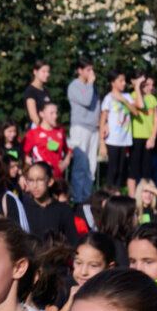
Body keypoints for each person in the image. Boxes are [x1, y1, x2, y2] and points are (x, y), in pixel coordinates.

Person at [66, 58, 100, 203]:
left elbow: (97, 106)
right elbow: (86, 100)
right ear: (80, 70)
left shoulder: (94, 87)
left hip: (94, 130)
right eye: (88, 70)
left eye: (92, 69)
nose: (91, 73)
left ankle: (87, 198)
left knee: (91, 167)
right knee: (81, 165)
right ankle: (77, 198)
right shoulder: (74, 86)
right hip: (80, 128)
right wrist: (90, 84)